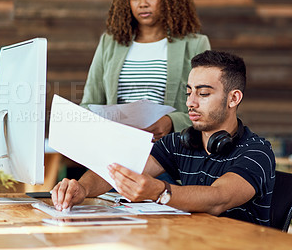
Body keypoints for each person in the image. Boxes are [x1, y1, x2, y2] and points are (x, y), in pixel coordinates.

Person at [52, 50, 276, 226]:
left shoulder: (256, 152)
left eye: (203, 94)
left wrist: (159, 192)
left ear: (233, 98)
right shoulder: (179, 143)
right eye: (189, 92)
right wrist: (82, 188)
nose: (190, 102)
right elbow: (120, 168)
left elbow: (218, 199)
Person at [81, 0, 211, 142]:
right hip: (117, 146)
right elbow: (89, 104)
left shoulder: (195, 44)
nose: (142, 3)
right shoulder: (110, 43)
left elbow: (207, 107)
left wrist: (170, 122)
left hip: (168, 152)